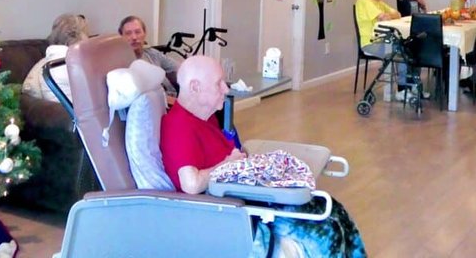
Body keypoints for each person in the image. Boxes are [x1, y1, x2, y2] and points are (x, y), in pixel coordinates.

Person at [160, 55, 367, 257]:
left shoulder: (206, 118)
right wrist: (227, 164)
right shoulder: (179, 126)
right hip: (229, 213)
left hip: (245, 197)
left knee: (334, 211)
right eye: (218, 83)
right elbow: (191, 184)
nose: (226, 89)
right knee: (326, 229)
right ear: (195, 87)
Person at [22, 13, 90, 102]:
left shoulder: (50, 60)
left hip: (65, 108)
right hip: (74, 109)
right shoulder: (68, 63)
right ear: (75, 36)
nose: (88, 39)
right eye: (86, 34)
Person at [118, 15, 182, 98]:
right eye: (128, 33)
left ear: (144, 34)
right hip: (160, 102)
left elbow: (179, 68)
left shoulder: (152, 53)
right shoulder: (120, 64)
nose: (134, 37)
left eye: (138, 32)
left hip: (174, 96)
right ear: (121, 37)